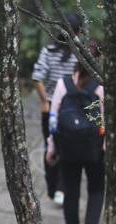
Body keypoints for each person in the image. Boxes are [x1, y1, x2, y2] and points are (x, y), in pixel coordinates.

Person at [46, 39, 105, 224]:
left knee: (71, 192)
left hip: (68, 148)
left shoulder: (63, 84)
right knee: (96, 190)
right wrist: (106, 148)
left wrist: (51, 148)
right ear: (97, 59)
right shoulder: (101, 87)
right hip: (95, 150)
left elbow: (53, 119)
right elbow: (106, 121)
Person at [32, 12, 83, 207]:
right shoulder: (80, 54)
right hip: (71, 109)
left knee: (50, 147)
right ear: (77, 32)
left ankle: (54, 188)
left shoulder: (48, 51)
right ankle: (61, 188)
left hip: (51, 108)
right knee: (68, 148)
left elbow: (37, 76)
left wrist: (45, 100)